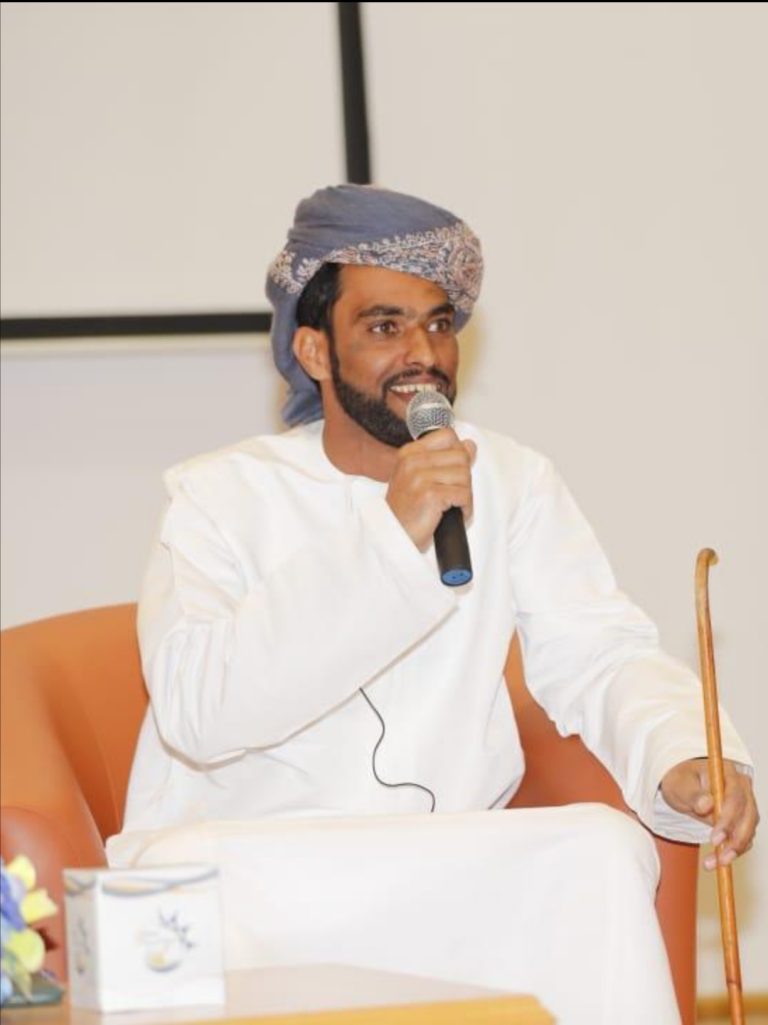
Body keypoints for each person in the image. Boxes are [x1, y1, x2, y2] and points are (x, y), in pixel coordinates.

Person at [108, 184, 757, 1024]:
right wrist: (390, 536)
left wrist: (683, 750)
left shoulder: (510, 479)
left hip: (436, 860)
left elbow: (599, 649)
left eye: (439, 324)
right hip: (263, 864)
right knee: (182, 886)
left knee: (602, 848)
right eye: (385, 327)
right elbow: (199, 711)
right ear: (314, 350)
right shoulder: (217, 496)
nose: (423, 352)